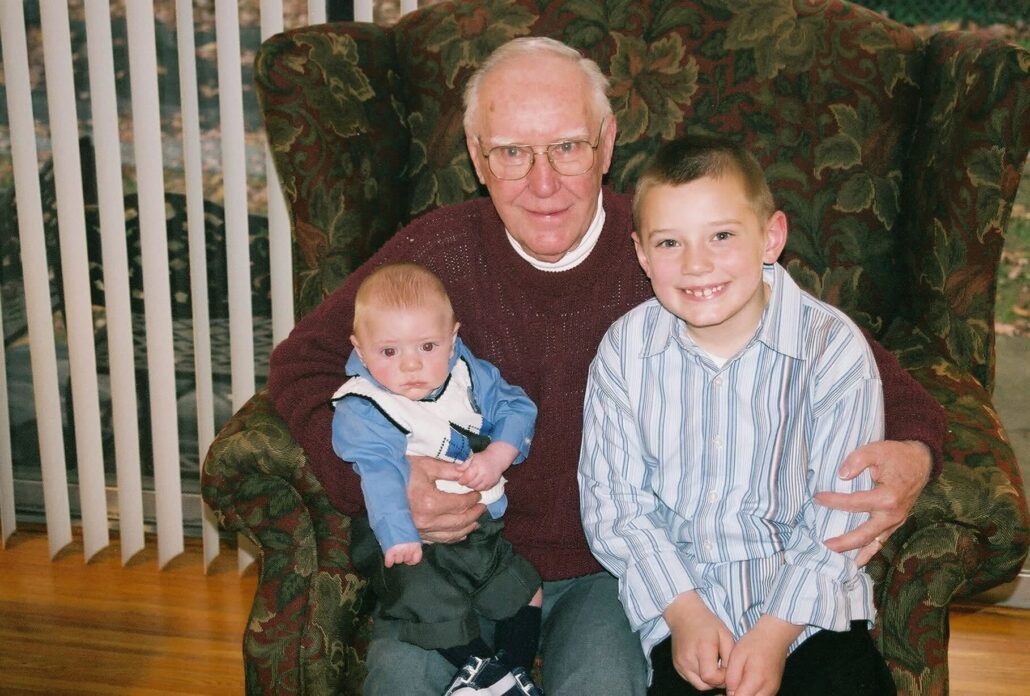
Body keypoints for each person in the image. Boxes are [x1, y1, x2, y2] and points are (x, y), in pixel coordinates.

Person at [268, 36, 947, 695]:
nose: (542, 183)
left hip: (606, 576)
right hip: (458, 561)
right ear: (477, 156)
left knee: (606, 683)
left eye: (567, 147)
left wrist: (916, 449)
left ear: (607, 142)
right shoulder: (434, 254)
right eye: (511, 152)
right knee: (398, 681)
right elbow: (303, 364)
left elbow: (858, 363)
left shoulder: (670, 250)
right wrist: (379, 482)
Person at [579, 135, 896, 696]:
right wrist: (683, 613)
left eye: (721, 236)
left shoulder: (832, 348)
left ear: (770, 237)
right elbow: (616, 506)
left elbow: (843, 516)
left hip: (809, 616)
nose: (697, 264)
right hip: (686, 613)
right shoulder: (624, 352)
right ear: (642, 254)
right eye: (670, 243)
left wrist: (775, 632)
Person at [330, 262, 543, 695]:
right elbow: (380, 476)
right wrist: (399, 535)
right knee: (427, 600)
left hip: (479, 530)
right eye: (389, 352)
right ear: (360, 347)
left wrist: (500, 456)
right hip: (407, 538)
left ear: (452, 339)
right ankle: (482, 671)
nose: (411, 365)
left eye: (427, 346)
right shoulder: (365, 405)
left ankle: (512, 672)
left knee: (525, 588)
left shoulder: (468, 373)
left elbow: (517, 409)